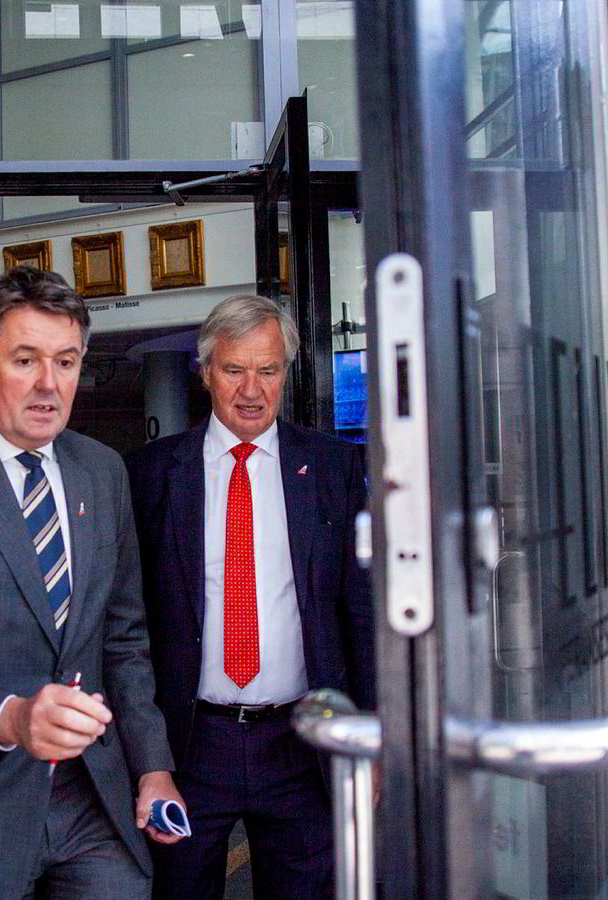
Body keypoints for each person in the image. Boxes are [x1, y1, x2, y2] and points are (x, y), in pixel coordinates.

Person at [125, 294, 375, 900]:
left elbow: (361, 614)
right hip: (190, 747)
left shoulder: (335, 468)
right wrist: (147, 759)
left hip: (303, 744)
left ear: (286, 372)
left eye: (268, 370)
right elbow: (127, 626)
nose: (251, 390)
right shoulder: (149, 474)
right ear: (205, 371)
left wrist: (370, 743)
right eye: (234, 369)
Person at [0, 266, 186, 900]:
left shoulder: (102, 469)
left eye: (65, 362)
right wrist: (8, 717)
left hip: (93, 797)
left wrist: (153, 767)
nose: (48, 384)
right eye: (25, 360)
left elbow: (124, 637)